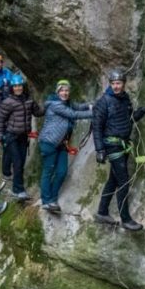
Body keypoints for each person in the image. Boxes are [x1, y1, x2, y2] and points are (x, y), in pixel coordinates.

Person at [92, 68, 145, 231]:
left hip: (123, 144)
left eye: (118, 83)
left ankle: (102, 212)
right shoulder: (104, 102)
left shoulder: (125, 99)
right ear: (110, 84)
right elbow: (97, 127)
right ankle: (125, 219)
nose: (116, 86)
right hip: (112, 145)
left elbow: (128, 120)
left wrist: (141, 112)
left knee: (113, 180)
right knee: (123, 181)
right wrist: (100, 150)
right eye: (113, 83)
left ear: (123, 84)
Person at [38, 79, 93, 212]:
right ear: (57, 92)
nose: (64, 93)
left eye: (67, 90)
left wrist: (95, 104)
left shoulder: (67, 103)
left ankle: (52, 199)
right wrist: (95, 113)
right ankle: (46, 201)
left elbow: (79, 107)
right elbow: (73, 114)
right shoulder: (55, 105)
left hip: (61, 144)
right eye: (62, 90)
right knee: (48, 171)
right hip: (49, 142)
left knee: (62, 172)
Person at [0, 73, 45, 200]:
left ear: (23, 86)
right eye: (15, 86)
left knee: (21, 162)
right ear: (12, 88)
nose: (18, 88)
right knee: (17, 162)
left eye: (20, 86)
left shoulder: (29, 100)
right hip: (11, 136)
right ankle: (18, 190)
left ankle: (12, 181)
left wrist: (49, 105)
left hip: (23, 137)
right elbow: (0, 120)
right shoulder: (8, 102)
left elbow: (38, 113)